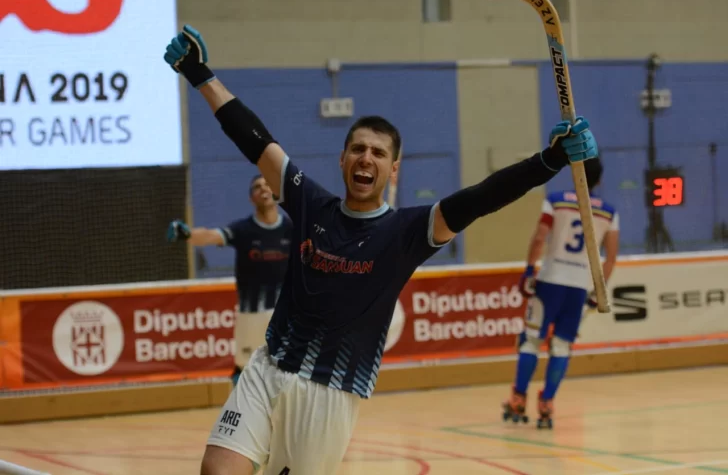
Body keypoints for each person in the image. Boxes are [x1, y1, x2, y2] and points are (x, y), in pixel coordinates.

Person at [163, 24, 600, 475]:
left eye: (377, 152)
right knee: (217, 470)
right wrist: (199, 74)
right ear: (342, 159)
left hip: (329, 394)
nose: (365, 158)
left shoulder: (406, 231)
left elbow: (482, 197)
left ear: (393, 169)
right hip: (267, 368)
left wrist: (548, 161)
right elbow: (255, 140)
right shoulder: (309, 201)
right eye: (357, 149)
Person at [503, 157, 619, 430]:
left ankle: (518, 399)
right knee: (562, 346)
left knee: (531, 342)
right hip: (578, 287)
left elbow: (539, 237)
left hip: (550, 280)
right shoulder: (609, 212)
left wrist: (529, 271)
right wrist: (598, 291)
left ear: (575, 174)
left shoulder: (555, 200)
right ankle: (547, 403)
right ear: (599, 180)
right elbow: (611, 258)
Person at [166, 174, 293, 385]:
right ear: (251, 198)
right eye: (257, 187)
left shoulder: (293, 229)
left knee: (289, 373)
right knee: (244, 373)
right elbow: (210, 236)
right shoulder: (242, 230)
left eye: (267, 185)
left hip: (286, 316)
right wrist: (187, 235)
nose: (263, 189)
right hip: (250, 316)